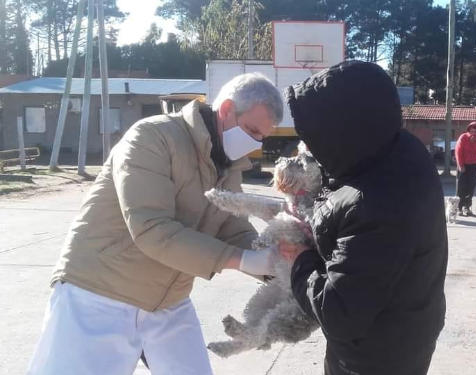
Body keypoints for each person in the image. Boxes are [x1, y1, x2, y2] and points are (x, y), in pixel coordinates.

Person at [27, 73, 290, 375]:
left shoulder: (228, 166)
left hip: (167, 302)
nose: (254, 143)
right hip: (99, 294)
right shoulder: (153, 137)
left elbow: (232, 228)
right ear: (227, 108)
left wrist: (278, 263)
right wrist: (244, 260)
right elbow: (152, 229)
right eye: (251, 131)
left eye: (261, 137)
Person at [283, 61, 448, 375]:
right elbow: (346, 187)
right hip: (406, 328)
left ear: (344, 128)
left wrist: (300, 260)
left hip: (374, 356)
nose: (313, 147)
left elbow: (340, 312)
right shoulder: (398, 149)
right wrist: (314, 211)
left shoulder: (378, 205)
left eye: (317, 135)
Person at [454, 121, 476, 216]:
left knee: (471, 187)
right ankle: (459, 207)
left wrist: (474, 143)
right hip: (463, 165)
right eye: (472, 131)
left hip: (473, 165)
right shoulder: (463, 137)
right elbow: (458, 152)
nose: (474, 133)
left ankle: (467, 207)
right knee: (461, 187)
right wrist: (460, 165)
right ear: (469, 130)